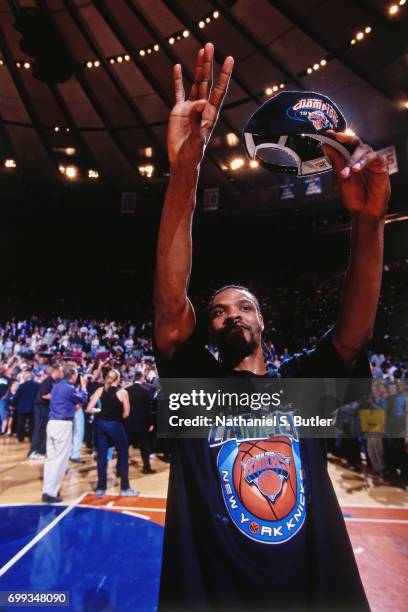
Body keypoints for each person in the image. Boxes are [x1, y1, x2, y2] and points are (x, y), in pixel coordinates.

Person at [153, 43, 390, 610]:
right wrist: (185, 171)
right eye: (219, 309)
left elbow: (352, 335)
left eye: (244, 306)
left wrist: (370, 225)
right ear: (207, 332)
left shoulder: (301, 389)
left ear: (264, 321)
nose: (232, 312)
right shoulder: (195, 389)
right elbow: (168, 304)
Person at [86, 369, 138, 497]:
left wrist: (100, 411)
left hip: (101, 425)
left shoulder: (99, 390)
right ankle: (125, 488)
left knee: (102, 457)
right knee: (123, 455)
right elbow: (126, 414)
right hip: (115, 425)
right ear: (117, 379)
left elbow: (88, 409)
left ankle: (101, 489)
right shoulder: (122, 393)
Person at [42, 365, 88, 504]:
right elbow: (83, 399)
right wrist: (84, 386)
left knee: (51, 459)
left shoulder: (56, 386)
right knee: (60, 461)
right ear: (73, 376)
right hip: (62, 425)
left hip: (52, 423)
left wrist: (72, 406)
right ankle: (51, 492)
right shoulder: (69, 388)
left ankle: (47, 490)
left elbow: (66, 402)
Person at [29, 364, 63, 459]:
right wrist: (59, 397)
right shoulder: (47, 381)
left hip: (44, 408)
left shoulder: (54, 382)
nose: (61, 373)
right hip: (40, 408)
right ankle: (34, 451)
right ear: (55, 371)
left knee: (44, 430)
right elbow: (44, 395)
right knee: (39, 429)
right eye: (60, 371)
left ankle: (40, 451)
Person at [125, 370, 155, 474]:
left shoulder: (126, 390)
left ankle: (119, 469)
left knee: (125, 447)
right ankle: (146, 467)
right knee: (144, 448)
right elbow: (148, 410)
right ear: (142, 378)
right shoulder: (145, 391)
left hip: (128, 423)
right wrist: (151, 423)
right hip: (142, 424)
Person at [11, 370, 39, 443]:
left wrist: (13, 404)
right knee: (32, 424)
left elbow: (17, 396)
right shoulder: (37, 385)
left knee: (21, 423)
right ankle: (31, 438)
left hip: (22, 407)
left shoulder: (22, 386)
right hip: (33, 407)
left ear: (26, 378)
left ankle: (20, 438)